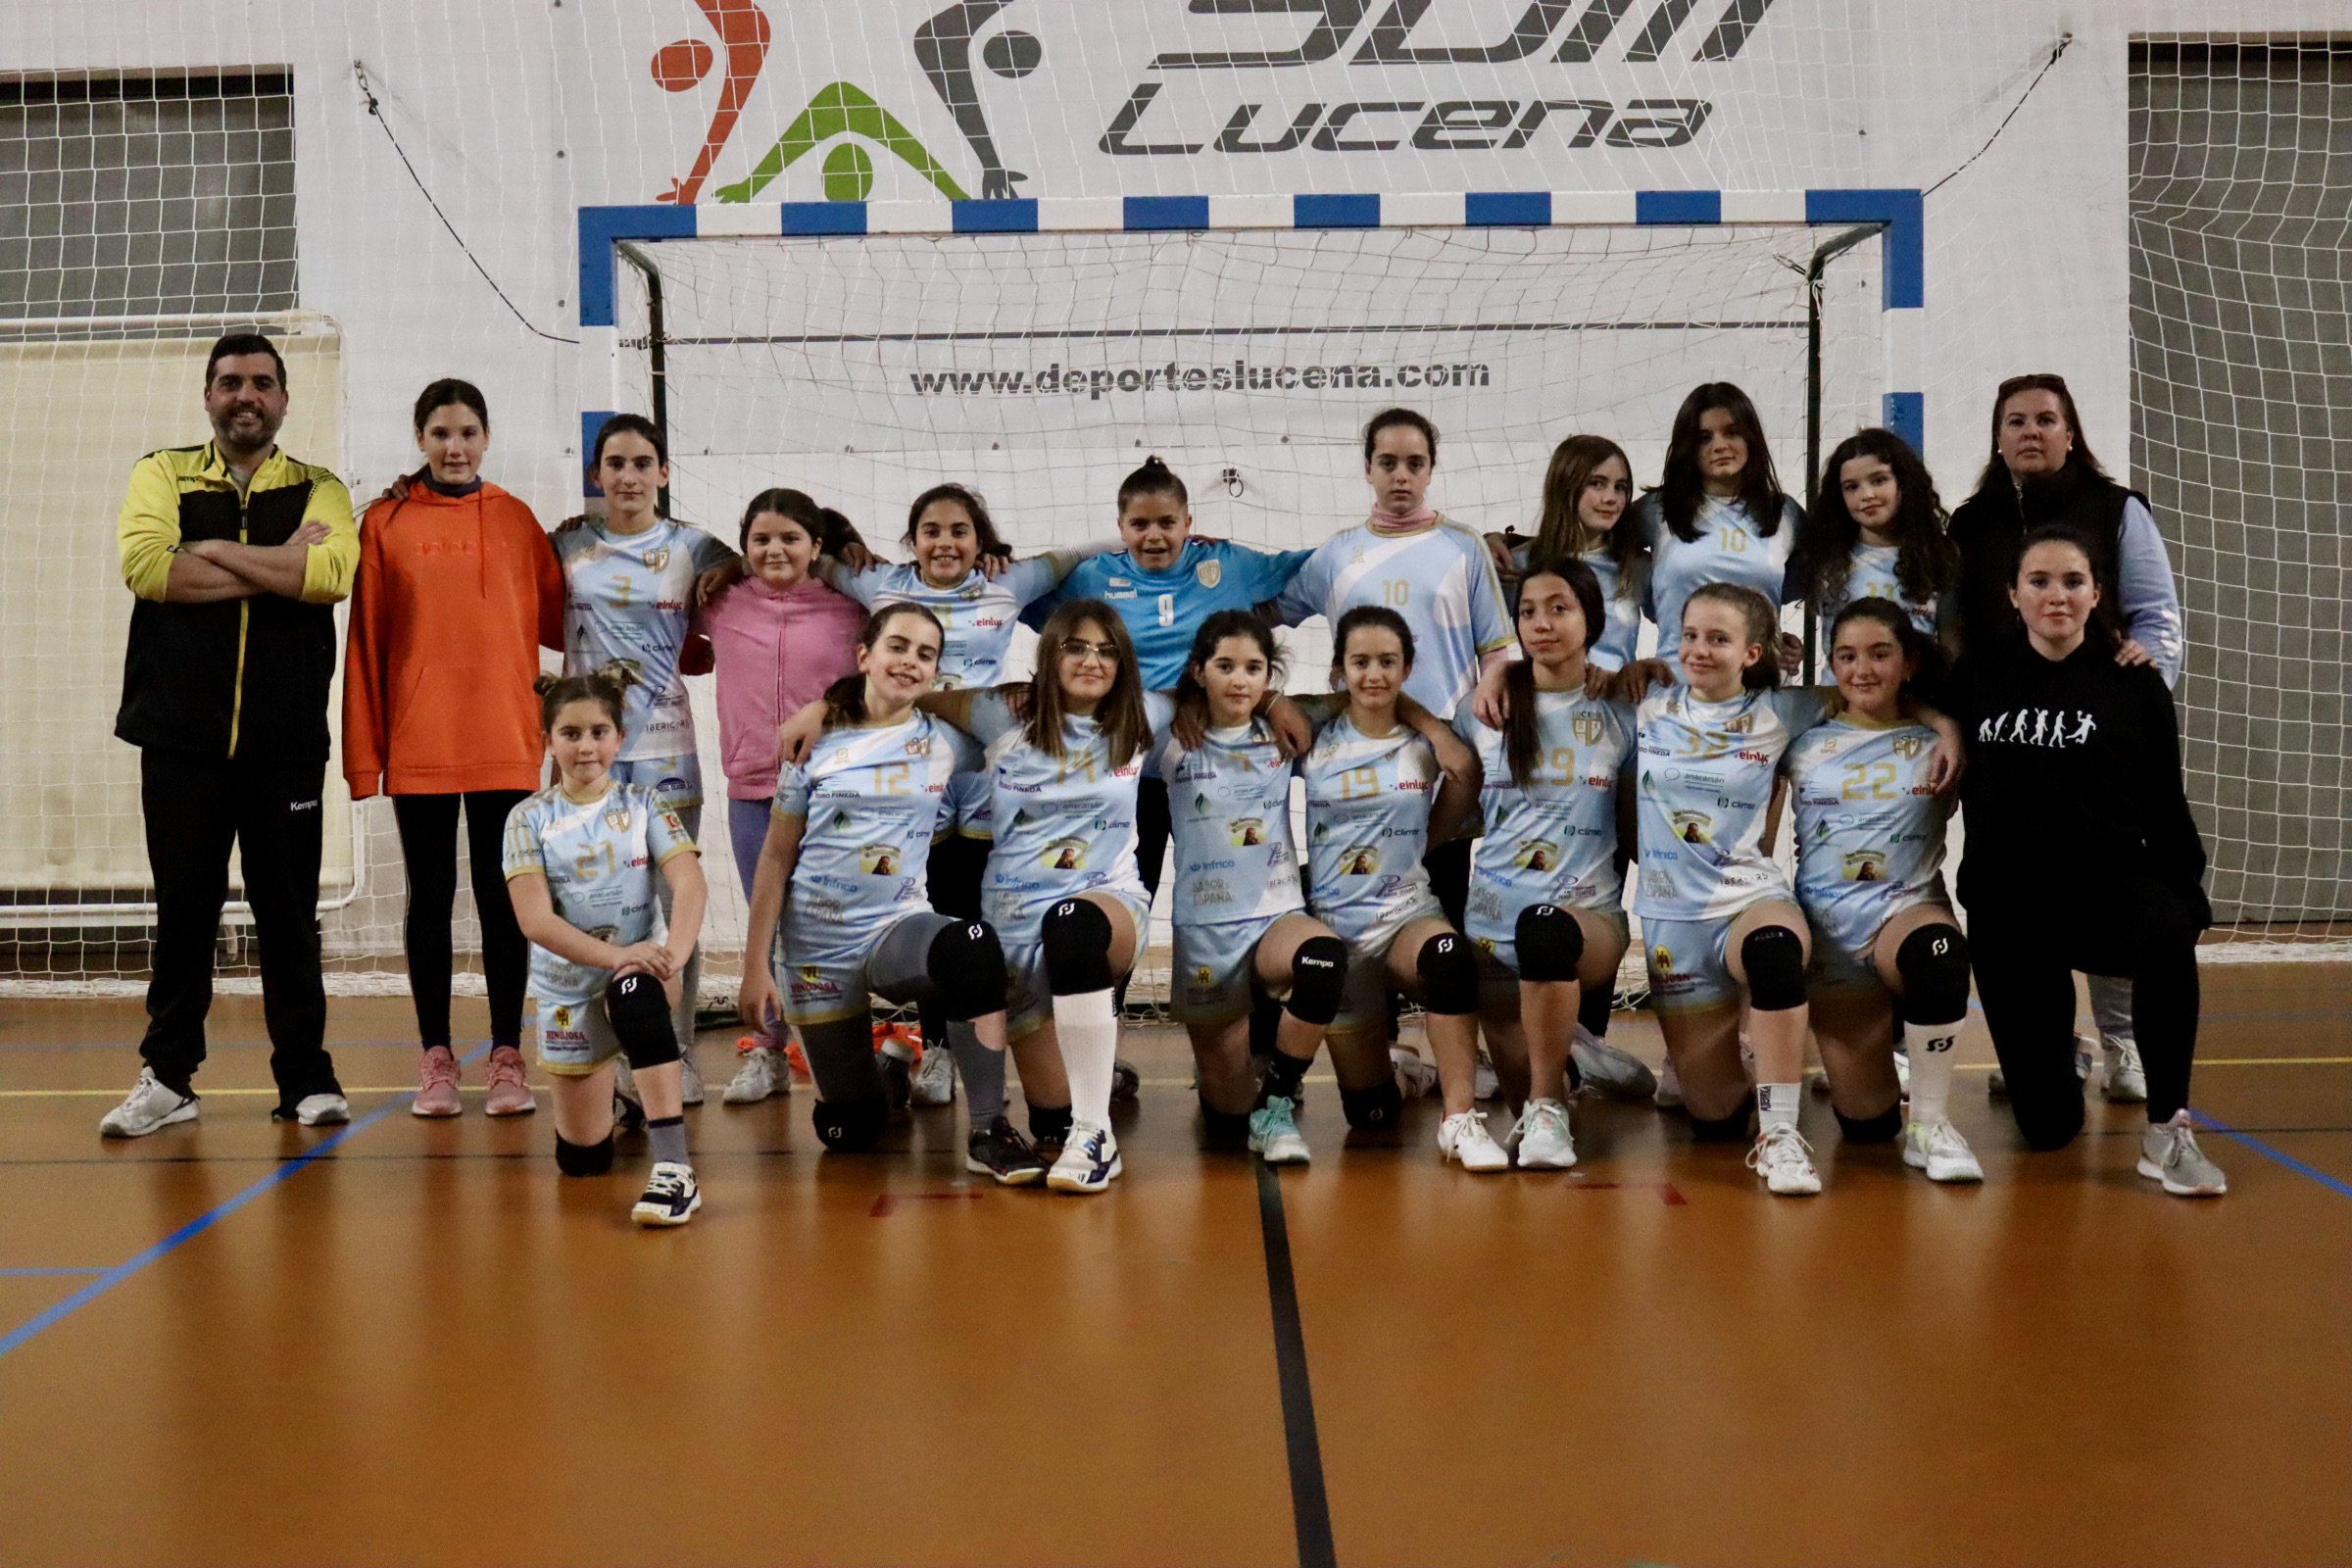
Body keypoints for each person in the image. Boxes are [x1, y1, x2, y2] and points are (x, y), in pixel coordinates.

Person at [100, 332, 359, 1138]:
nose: (245, 396)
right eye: (229, 383)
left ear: (284, 398)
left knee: (289, 916)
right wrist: (271, 562)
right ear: (207, 396)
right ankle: (168, 1079)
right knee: (186, 911)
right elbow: (150, 570)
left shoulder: (321, 488)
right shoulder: (162, 472)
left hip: (284, 744)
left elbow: (328, 577)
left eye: (261, 383)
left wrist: (212, 549)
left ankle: (307, 1078)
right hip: (180, 740)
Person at [1631, 583, 1958, 1196]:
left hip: (1751, 896)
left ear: (1753, 652)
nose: (1699, 650)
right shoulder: (1645, 705)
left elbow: (1877, 696)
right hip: (1671, 917)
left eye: (1718, 638)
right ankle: (1754, 1069)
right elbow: (1561, 694)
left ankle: (1779, 1134)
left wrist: (1947, 726)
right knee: (1713, 1119)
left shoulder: (1784, 711)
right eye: (1690, 635)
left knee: (1777, 948)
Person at [1940, 525, 2225, 1196]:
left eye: (2073, 581)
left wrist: (2188, 894)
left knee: (2166, 930)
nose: (2057, 595)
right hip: (2012, 908)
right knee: (2048, 1129)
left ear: (2097, 593)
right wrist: (1942, 726)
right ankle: (2054, 1060)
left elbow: (2166, 800)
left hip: (2107, 891)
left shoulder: (2134, 682)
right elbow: (1914, 702)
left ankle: (2168, 1130)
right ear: (2014, 594)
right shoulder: (1978, 673)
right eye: (2039, 581)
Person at [820, 483, 1114, 1106]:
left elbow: (1077, 553)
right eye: (931, 530)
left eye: (959, 531)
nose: (945, 542)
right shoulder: (881, 584)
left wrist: (1165, 537)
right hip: (909, 778)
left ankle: (1043, 1047)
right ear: (912, 540)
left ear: (982, 542)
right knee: (933, 916)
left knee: (983, 917)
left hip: (984, 777)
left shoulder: (1007, 584)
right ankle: (937, 1051)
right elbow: (806, 554)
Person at [1947, 373, 2185, 1102]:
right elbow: (1956, 626)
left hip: (2097, 729)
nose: (2031, 431)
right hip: (2010, 735)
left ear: (2072, 431)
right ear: (1998, 436)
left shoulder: (2117, 509)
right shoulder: (1972, 520)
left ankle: (2124, 1044)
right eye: (2015, 420)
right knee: (2022, 897)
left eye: (2047, 419)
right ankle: (2052, 1047)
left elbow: (2156, 613)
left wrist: (2129, 710)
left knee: (2116, 879)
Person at [735, 605, 1035, 1178]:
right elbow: (774, 859)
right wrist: (755, 966)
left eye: (925, 655)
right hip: (815, 953)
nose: (910, 661)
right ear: (864, 656)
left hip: (895, 930)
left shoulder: (945, 741)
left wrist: (929, 698)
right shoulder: (813, 744)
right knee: (848, 1131)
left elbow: (1017, 704)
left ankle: (989, 1127)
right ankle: (890, 1070)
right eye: (898, 647)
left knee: (971, 943)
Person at [1024, 456, 1316, 1036]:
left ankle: (1257, 1045)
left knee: (1241, 902)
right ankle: (1100, 1047)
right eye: (1139, 525)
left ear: (1189, 522)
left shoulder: (1225, 564)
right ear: (1120, 526)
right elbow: (1015, 600)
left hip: (1214, 773)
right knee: (1125, 902)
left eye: (1167, 523)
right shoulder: (1090, 578)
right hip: (1129, 779)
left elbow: (1314, 566)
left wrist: (1270, 694)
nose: (1153, 536)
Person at [888, 602, 1168, 1194]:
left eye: (1106, 650)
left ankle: (1099, 1134)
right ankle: (1079, 1099)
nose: (1092, 660)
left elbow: (1228, 693)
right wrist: (820, 708)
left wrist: (1272, 700)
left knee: (1073, 927)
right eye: (1076, 647)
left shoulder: (1144, 717)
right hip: (1014, 922)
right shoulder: (999, 712)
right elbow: (916, 700)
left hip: (1104, 905)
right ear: (1051, 655)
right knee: (1050, 1122)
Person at [343, 377, 563, 1118]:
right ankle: (436, 1056)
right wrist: (365, 756)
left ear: (487, 437)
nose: (455, 446)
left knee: (508, 900)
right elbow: (367, 642)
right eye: (441, 433)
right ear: (420, 439)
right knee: (429, 898)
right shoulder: (385, 522)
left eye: (468, 432)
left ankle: (506, 1055)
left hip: (505, 738)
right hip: (420, 743)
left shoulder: (516, 520)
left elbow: (568, 615)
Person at [557, 415, 737, 1106]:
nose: (628, 476)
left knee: (673, 907)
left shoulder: (697, 547)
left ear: (663, 473)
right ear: (596, 475)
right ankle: (605, 1056)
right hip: (584, 756)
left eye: (642, 463)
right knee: (592, 910)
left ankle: (680, 1051)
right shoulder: (568, 541)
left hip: (666, 750)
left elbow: (777, 559)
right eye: (615, 464)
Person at [1276, 409, 1514, 935]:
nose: (1401, 475)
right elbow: (1263, 614)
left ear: (1430, 471)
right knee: (1355, 960)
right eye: (1388, 462)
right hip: (1356, 780)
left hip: (1442, 770)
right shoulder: (1335, 554)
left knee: (1444, 942)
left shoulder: (1466, 545)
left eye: (1414, 463)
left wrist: (1489, 700)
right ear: (1367, 470)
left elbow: (1497, 650)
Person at [1454, 560, 1645, 1170]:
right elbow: (1455, 807)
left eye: (1560, 608)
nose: (1542, 623)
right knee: (1519, 1103)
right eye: (1529, 611)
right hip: (1490, 919)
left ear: (1591, 618)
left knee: (1542, 1107)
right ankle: (1576, 1052)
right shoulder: (1485, 709)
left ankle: (1552, 1091)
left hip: (1583, 918)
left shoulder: (1624, 706)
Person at [1781, 599, 1981, 1183]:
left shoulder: (1942, 738)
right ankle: (1881, 1094)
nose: (1862, 669)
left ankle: (1932, 1123)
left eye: (1879, 653)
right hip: (1828, 932)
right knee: (1866, 1124)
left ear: (1909, 662)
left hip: (1907, 912)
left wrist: (1945, 725)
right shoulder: (1801, 734)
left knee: (1940, 957)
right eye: (1846, 656)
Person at [502, 673, 710, 1226]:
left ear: (619, 738)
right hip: (569, 989)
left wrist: (673, 954)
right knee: (584, 1161)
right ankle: (633, 1092)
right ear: (549, 741)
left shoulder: (646, 803)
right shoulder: (527, 818)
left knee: (640, 993)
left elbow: (689, 883)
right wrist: (618, 956)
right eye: (570, 733)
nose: (586, 745)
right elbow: (535, 920)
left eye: (599, 731)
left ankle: (675, 1171)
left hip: (639, 972)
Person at [1299, 609, 1493, 1167]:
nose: (1374, 674)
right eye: (1359, 662)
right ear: (1340, 669)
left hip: (1407, 913)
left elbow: (1462, 794)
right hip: (1336, 928)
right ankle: (1410, 1073)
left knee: (1450, 959)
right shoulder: (1314, 733)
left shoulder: (1430, 743)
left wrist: (1415, 847)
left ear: (1407, 667)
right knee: (1371, 1114)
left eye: (1388, 661)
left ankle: (1459, 1118)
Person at [1157, 612, 1350, 1166]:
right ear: (1199, 671)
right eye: (1225, 667)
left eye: (1253, 668)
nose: (1239, 680)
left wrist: (1275, 703)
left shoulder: (1284, 725)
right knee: (1225, 1118)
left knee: (1323, 959)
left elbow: (1369, 697)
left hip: (1275, 917)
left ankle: (1278, 1105)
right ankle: (1234, 1077)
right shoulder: (1168, 733)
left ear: (1270, 675)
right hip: (1204, 929)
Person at [694, 487, 865, 1105]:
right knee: (764, 923)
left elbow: (879, 678)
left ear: (816, 546)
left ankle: (847, 1045)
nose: (775, 550)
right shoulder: (722, 602)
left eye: (790, 538)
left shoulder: (851, 607)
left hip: (830, 792)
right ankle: (766, 1050)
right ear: (743, 548)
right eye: (760, 539)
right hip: (752, 789)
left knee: (827, 925)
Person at [1632, 382, 1805, 683]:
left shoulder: (1784, 513)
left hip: (1760, 689)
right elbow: (1591, 546)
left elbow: (1817, 575)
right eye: (1704, 438)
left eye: (1732, 432)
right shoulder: (1658, 509)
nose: (1719, 445)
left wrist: (1783, 641)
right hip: (1678, 685)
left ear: (1750, 438)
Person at [1786, 427, 1960, 650]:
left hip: (1915, 685)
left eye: (1879, 481)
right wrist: (1778, 643)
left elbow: (1952, 645)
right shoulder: (1822, 557)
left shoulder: (1937, 557)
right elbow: (1758, 595)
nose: (1867, 495)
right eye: (1852, 487)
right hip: (1837, 686)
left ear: (1904, 483)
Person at [1501, 434, 1648, 671]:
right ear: (1565, 484)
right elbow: (1486, 644)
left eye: (1620, 487)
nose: (1611, 498)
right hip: (1546, 704)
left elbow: (1681, 628)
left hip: (1617, 705)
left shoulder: (1636, 566)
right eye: (1597, 483)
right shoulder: (1517, 564)